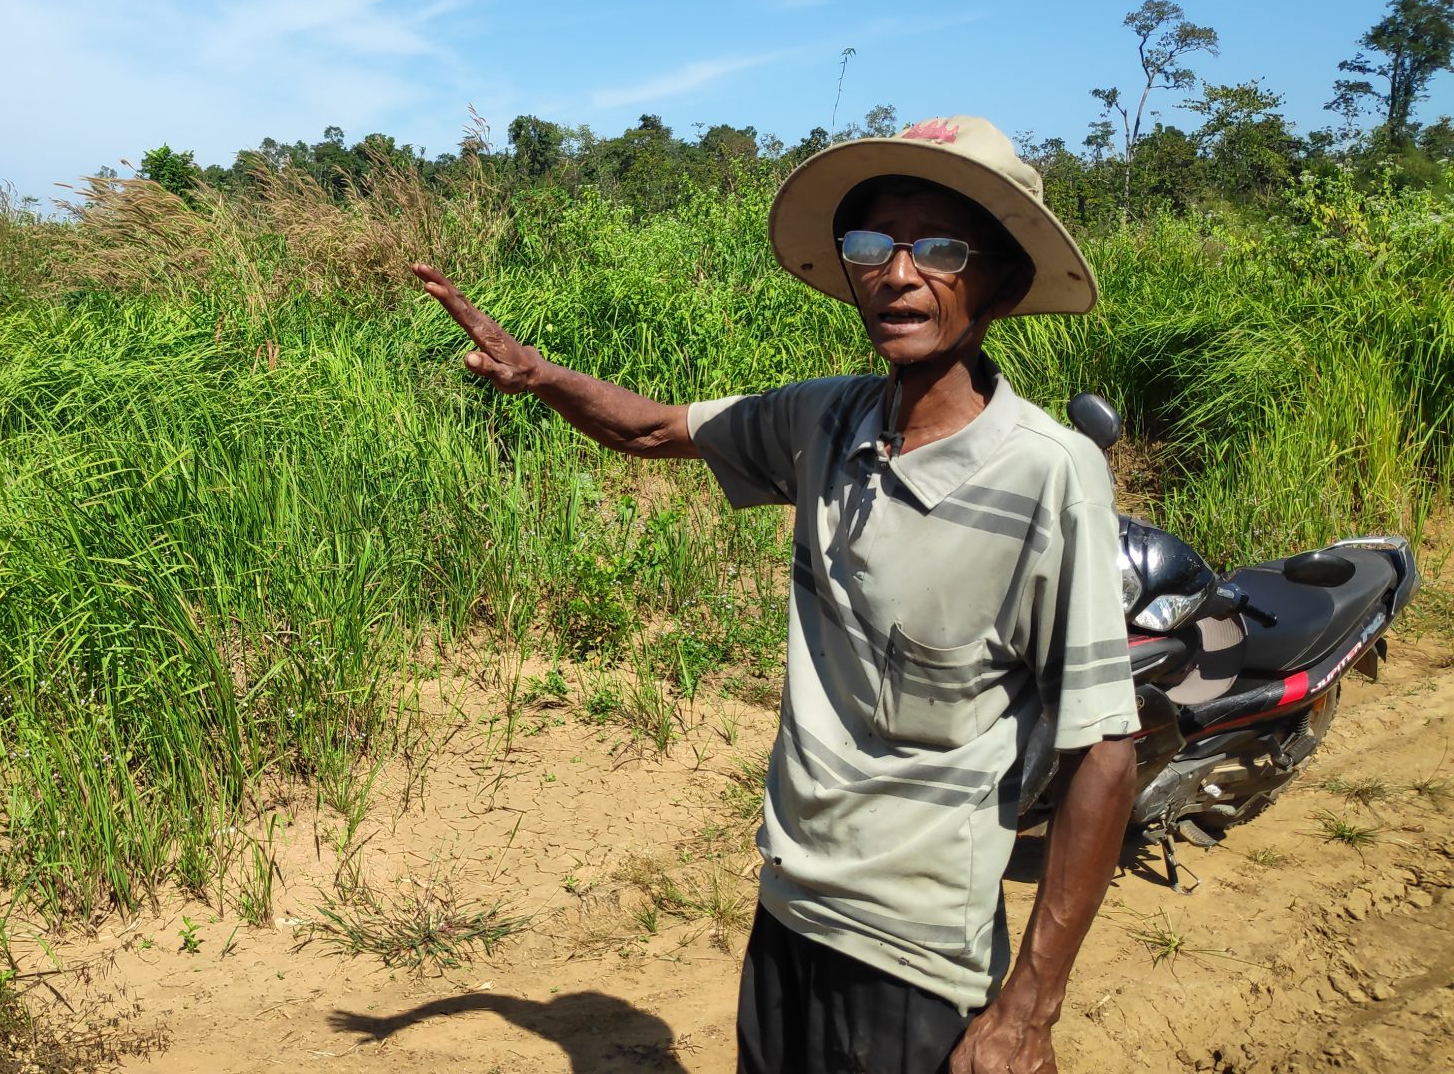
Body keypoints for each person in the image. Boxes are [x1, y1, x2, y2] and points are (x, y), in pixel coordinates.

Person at [411, 116, 1139, 1074]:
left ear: (998, 282)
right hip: (791, 902)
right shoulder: (825, 420)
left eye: (942, 250)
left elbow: (1107, 751)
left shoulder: (1050, 474)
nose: (898, 273)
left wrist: (1029, 1012)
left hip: (917, 948)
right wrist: (540, 376)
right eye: (873, 246)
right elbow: (649, 433)